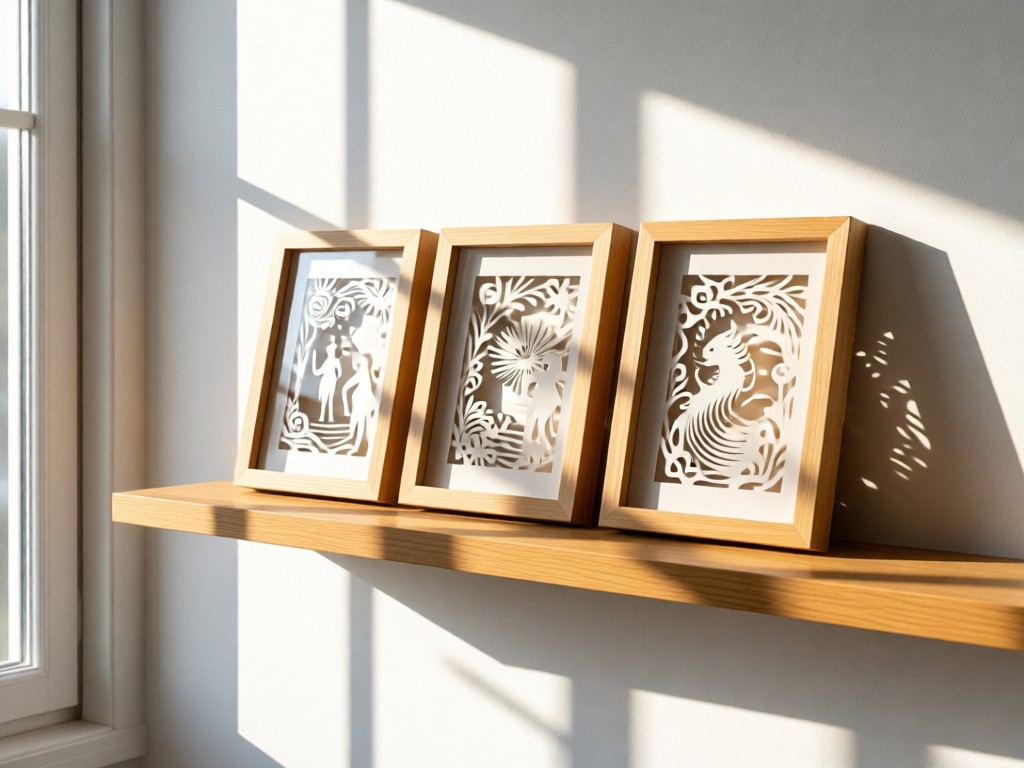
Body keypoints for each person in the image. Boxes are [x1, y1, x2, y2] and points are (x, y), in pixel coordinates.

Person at [312, 335, 343, 422]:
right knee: (325, 399)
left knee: (330, 399)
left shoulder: (335, 360)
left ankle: (330, 417)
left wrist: (336, 379)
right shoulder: (328, 361)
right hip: (326, 380)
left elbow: (340, 373)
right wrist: (314, 358)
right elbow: (317, 372)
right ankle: (322, 417)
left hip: (331, 381)